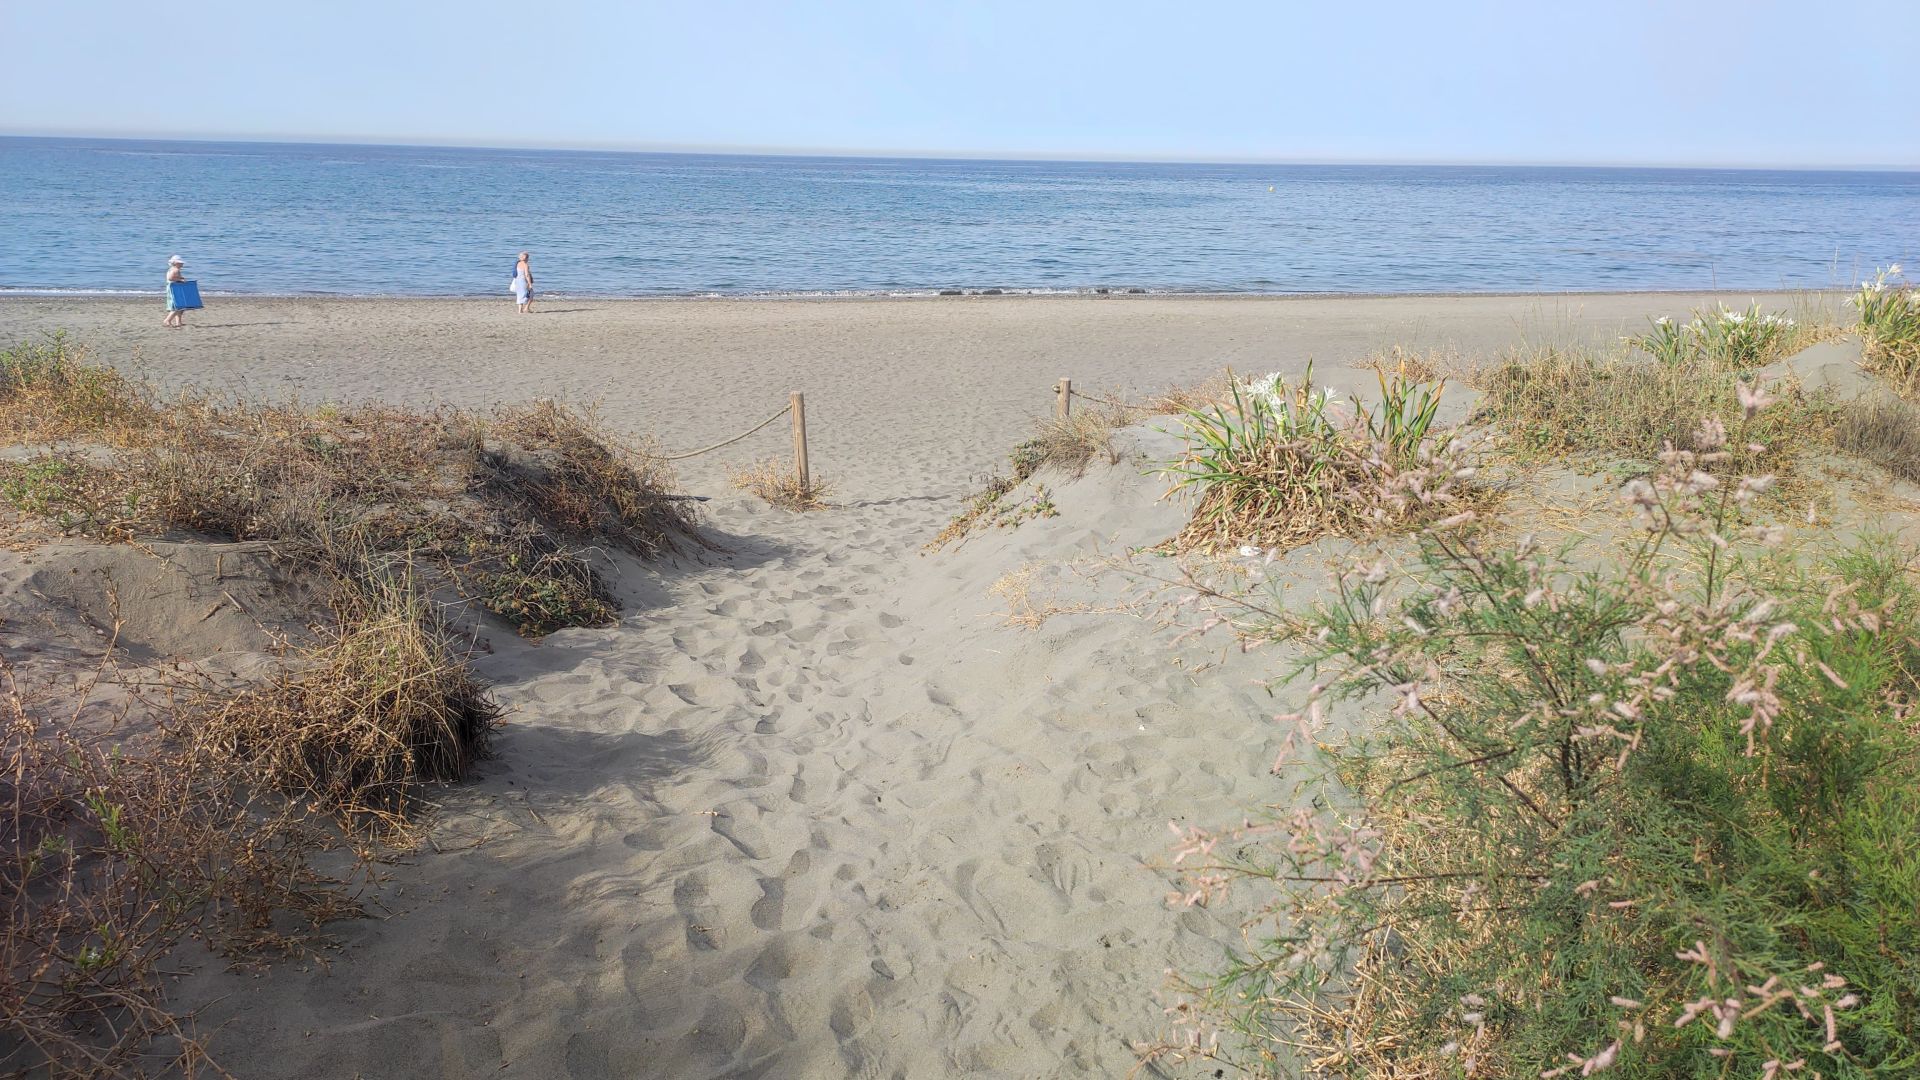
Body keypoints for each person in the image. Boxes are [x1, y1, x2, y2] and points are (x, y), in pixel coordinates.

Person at [163, 255, 193, 328]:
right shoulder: (175, 270)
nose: (182, 264)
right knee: (178, 306)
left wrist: (180, 278)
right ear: (175, 263)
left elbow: (172, 277)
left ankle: (178, 322)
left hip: (172, 288)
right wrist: (180, 280)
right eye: (180, 263)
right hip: (174, 289)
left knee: (180, 307)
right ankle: (167, 320)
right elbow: (170, 278)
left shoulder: (172, 269)